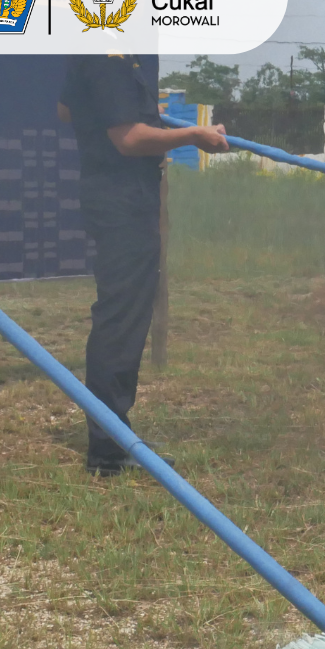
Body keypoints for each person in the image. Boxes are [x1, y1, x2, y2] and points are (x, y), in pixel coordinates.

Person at [58, 55, 228, 476]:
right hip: (122, 200)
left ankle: (114, 435)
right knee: (121, 318)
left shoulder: (101, 52)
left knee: (125, 312)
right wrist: (192, 134)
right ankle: (109, 449)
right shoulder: (109, 55)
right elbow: (128, 138)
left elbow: (66, 108)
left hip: (120, 194)